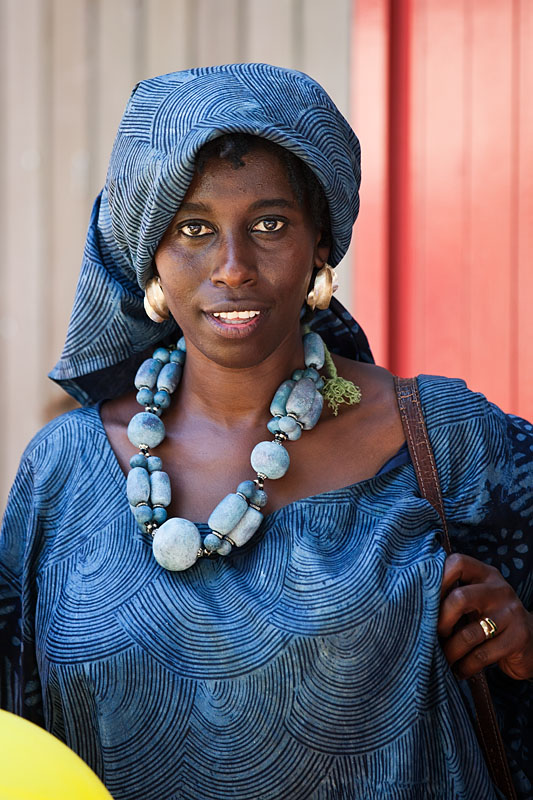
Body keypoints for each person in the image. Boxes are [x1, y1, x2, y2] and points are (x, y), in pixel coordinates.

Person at [0, 63, 531, 800]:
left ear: (320, 244)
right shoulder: (63, 470)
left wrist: (525, 640)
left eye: (270, 224)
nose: (233, 268)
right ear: (148, 252)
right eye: (193, 228)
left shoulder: (441, 439)